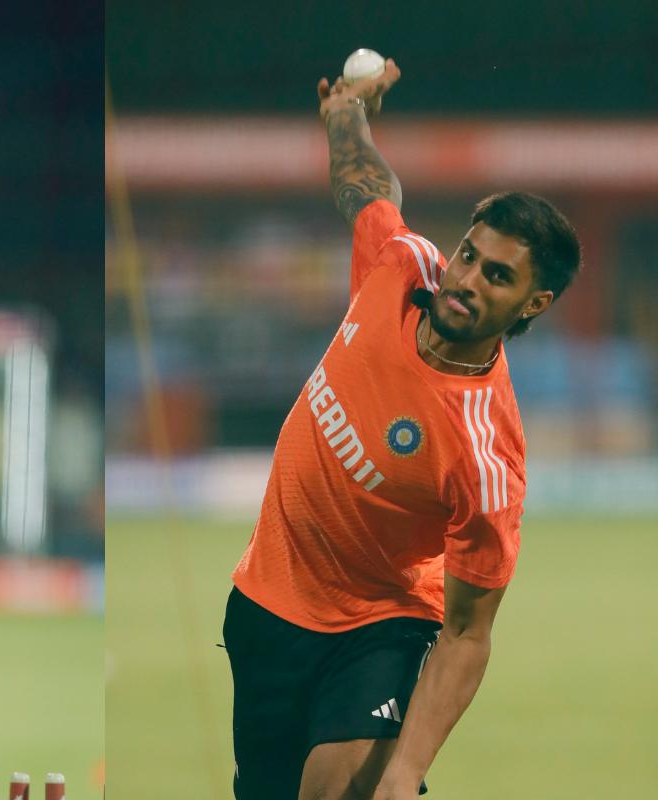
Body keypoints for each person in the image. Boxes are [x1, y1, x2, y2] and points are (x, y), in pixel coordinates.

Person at [224, 59, 581, 799]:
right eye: (469, 256)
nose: (466, 279)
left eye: (497, 277)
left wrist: (409, 769)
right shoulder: (401, 266)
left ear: (533, 303)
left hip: (376, 627)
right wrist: (346, 116)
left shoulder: (485, 455)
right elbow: (369, 188)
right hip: (265, 603)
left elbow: (467, 633)